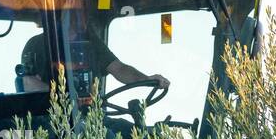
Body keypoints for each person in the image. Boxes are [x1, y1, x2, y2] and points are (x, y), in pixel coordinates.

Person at [19, 27, 169, 95]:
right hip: (54, 121)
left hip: (93, 118)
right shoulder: (37, 44)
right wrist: (63, 97)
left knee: (144, 136)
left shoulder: (90, 43)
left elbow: (119, 69)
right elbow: (29, 83)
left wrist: (147, 79)